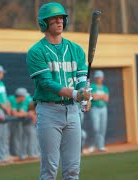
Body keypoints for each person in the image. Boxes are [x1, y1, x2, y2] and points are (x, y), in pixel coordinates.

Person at [26, 2, 92, 179]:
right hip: (49, 111)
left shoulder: (76, 49)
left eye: (61, 17)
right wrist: (76, 94)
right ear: (44, 23)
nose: (59, 21)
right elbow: (47, 83)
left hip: (72, 111)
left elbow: (81, 79)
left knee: (72, 169)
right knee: (50, 169)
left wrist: (85, 96)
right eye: (54, 18)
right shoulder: (36, 51)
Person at [89, 70, 109, 152]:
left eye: (100, 77)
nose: (99, 79)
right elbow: (94, 97)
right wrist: (102, 96)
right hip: (95, 108)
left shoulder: (105, 88)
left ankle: (101, 145)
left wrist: (98, 96)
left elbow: (106, 98)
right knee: (95, 127)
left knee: (102, 128)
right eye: (97, 77)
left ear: (102, 78)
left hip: (103, 108)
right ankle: (93, 144)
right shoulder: (92, 86)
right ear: (95, 78)